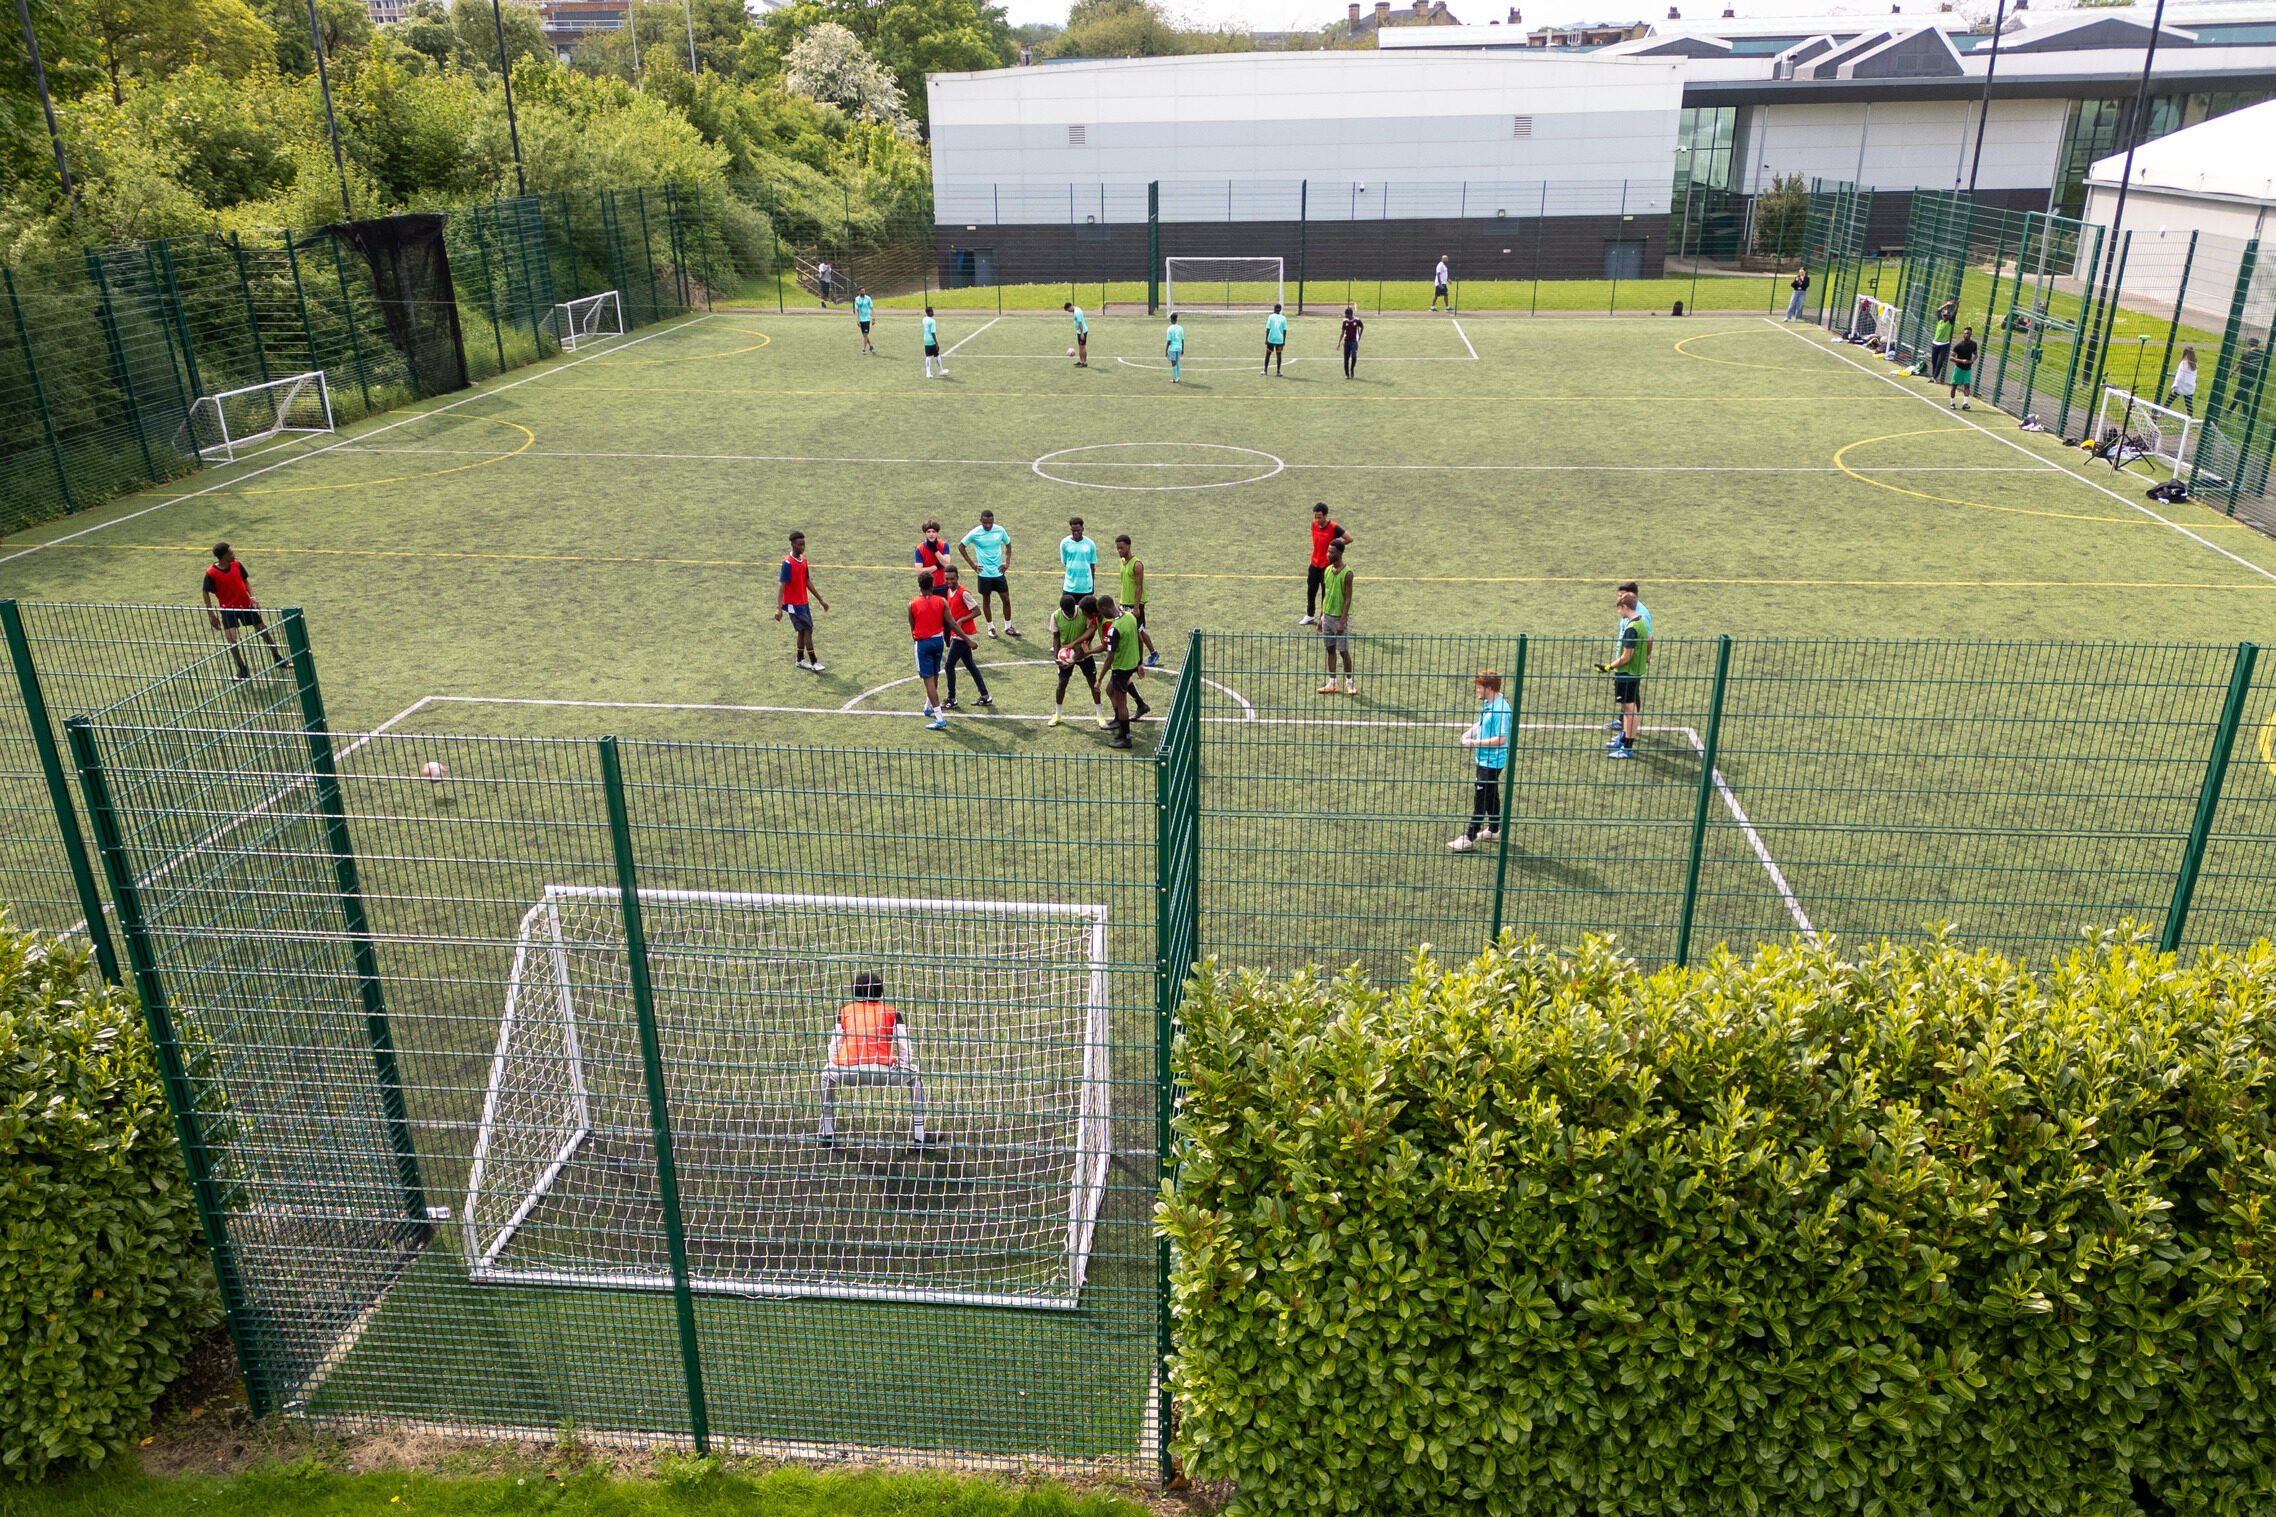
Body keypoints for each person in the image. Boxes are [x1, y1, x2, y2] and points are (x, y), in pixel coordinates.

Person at [818, 970, 927, 1150]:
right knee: (915, 1077)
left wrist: (834, 1063)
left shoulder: (845, 1011)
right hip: (882, 1070)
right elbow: (904, 1046)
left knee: (826, 1076)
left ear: (855, 992)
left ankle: (827, 1134)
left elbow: (834, 1045)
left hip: (848, 1070)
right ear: (879, 992)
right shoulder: (892, 1012)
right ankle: (920, 1137)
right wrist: (904, 1064)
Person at [1448, 669, 1512, 852]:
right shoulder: (1489, 703)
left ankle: (1469, 837)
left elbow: (1501, 739)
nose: (1477, 691)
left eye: (1479, 687)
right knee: (1491, 795)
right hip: (1484, 758)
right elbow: (1483, 723)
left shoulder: (1501, 710)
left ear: (1489, 688)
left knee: (1481, 799)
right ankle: (1494, 830)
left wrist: (1474, 742)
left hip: (1492, 762)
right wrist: (1470, 731)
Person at [202, 543, 287, 681]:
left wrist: (252, 598)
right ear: (223, 556)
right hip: (228, 610)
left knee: (263, 630)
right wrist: (211, 615)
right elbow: (205, 592)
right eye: (230, 552)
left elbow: (246, 581)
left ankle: (278, 658)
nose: (233, 553)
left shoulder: (236, 564)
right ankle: (242, 669)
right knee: (232, 641)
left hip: (246, 606)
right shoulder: (211, 573)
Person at [1093, 593, 1158, 750]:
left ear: (1104, 608)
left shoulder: (1114, 629)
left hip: (1120, 668)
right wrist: (1140, 663)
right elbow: (1139, 639)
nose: (1101, 615)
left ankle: (1126, 738)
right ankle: (1121, 727)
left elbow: (1109, 658)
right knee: (1110, 690)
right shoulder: (1129, 617)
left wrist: (1099, 679)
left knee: (1121, 703)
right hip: (1131, 664)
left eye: (1100, 611)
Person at [1596, 590, 1649, 760]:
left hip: (1627, 674)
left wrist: (1608, 667)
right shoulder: (1641, 623)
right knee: (1629, 710)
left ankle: (1627, 747)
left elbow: (1626, 656)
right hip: (1634, 673)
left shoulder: (1631, 629)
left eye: (1619, 609)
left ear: (1625, 607)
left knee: (1629, 711)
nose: (1619, 612)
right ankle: (1625, 740)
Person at [938, 567, 993, 711]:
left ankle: (952, 699)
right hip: (957, 634)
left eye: (952, 579)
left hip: (964, 634)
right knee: (970, 665)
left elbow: (977, 611)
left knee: (949, 665)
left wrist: (962, 620)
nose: (949, 581)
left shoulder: (964, 593)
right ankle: (985, 695)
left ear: (958, 578)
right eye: (947, 579)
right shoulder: (949, 591)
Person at [774, 530, 830, 673]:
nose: (802, 547)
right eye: (799, 545)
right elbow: (782, 585)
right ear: (792, 544)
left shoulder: (803, 561)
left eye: (803, 544)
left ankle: (800, 659)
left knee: (802, 631)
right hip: (793, 604)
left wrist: (820, 600)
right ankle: (814, 662)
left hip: (803, 603)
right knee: (807, 630)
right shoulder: (787, 563)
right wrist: (778, 608)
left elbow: (807, 581)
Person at [1048, 592, 1106, 729]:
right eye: (1065, 612)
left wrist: (1081, 652)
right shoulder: (1055, 616)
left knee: (1093, 683)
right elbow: (1056, 637)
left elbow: (1090, 632)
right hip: (1066, 656)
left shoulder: (1083, 612)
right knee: (1062, 683)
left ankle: (1100, 715)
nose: (1068, 614)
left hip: (1083, 654)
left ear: (1075, 607)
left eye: (1070, 612)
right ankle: (1058, 715)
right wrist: (1057, 656)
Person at [958, 508, 1017, 637]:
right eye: (985, 523)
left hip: (998, 572)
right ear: (981, 521)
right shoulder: (975, 533)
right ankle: (991, 627)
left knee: (1006, 599)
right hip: (984, 574)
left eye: (990, 522)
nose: (988, 525)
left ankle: (1008, 626)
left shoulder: (1000, 530)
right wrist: (973, 564)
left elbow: (1008, 544)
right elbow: (961, 546)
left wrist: (1007, 562)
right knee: (986, 600)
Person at [1604, 581, 1649, 733]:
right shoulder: (1634, 616)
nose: (1619, 599)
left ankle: (1626, 737)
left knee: (1631, 704)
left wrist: (1610, 666)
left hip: (1629, 667)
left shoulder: (1639, 615)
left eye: (1621, 596)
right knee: (1629, 703)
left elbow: (1647, 638)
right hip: (1626, 664)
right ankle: (1623, 726)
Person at [909, 572, 950, 731]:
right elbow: (950, 622)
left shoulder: (912, 604)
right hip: (938, 641)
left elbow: (912, 626)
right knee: (935, 675)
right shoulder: (941, 601)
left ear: (919, 586)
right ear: (932, 585)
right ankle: (928, 707)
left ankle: (939, 717)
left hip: (923, 643)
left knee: (928, 680)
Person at [1300, 502, 1352, 626]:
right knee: (1311, 591)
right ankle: (1310, 615)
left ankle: (1323, 617)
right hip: (1314, 564)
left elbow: (1349, 538)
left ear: (1325, 515)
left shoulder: (1334, 527)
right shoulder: (1313, 524)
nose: (1317, 520)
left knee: (1325, 593)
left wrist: (1336, 546)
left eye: (1319, 517)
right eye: (1315, 517)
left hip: (1326, 566)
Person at [1315, 541, 1355, 696]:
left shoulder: (1348, 574)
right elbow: (1325, 595)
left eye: (1331, 552)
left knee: (1343, 651)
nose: (1328, 554)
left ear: (1340, 553)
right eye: (1328, 551)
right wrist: (1321, 617)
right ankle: (1332, 683)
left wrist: (1342, 621)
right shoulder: (1327, 571)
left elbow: (1347, 599)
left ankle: (1349, 683)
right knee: (1330, 649)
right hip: (1327, 617)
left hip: (1339, 618)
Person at [1113, 533, 1160, 665]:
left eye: (1121, 548)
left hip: (1135, 604)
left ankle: (1152, 653)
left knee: (1139, 631)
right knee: (1130, 630)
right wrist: (1121, 601)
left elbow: (1139, 587)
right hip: (1124, 603)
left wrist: (1136, 606)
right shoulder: (1122, 562)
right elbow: (1125, 583)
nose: (1119, 551)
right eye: (1117, 548)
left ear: (1128, 546)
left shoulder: (1137, 565)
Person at [1060, 515, 1098, 599]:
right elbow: (1066, 562)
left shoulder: (1090, 544)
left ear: (1082, 529)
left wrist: (1092, 585)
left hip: (1086, 588)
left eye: (1078, 530)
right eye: (1073, 531)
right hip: (1069, 587)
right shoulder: (1064, 543)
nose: (1076, 533)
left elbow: (1092, 566)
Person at [1948, 326, 1978, 410]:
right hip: (1958, 368)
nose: (1966, 335)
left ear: (1971, 334)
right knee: (1954, 386)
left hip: (1967, 369)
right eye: (1965, 333)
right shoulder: (1959, 346)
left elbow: (1976, 354)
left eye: (1968, 333)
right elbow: (1951, 357)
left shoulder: (1973, 344)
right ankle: (1952, 403)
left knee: (1967, 386)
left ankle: (1965, 403)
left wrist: (1972, 360)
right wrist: (1961, 361)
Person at [1930, 300, 1956, 383]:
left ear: (1948, 317)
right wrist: (1946, 304)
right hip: (1935, 343)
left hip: (1944, 344)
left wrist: (1957, 305)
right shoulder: (1940, 321)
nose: (1945, 317)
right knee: (1934, 361)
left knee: (1939, 362)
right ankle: (1933, 375)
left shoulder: (1949, 323)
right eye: (1944, 315)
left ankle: (1934, 377)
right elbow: (1938, 310)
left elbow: (1955, 313)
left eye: (1946, 316)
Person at [2168, 346, 2198, 415]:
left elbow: (2179, 376)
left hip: (2181, 386)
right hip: (2189, 388)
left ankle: (2161, 413)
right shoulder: (2194, 364)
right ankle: (2189, 418)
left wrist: (2174, 386)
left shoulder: (2183, 363)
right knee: (2188, 404)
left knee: (2169, 400)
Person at [923, 306, 948, 379]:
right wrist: (936, 343)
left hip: (926, 340)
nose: (933, 312)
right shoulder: (932, 321)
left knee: (928, 357)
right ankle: (941, 370)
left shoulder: (924, 319)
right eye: (932, 311)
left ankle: (928, 373)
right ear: (929, 312)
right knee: (937, 355)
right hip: (931, 341)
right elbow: (933, 332)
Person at [1263, 303, 1288, 375]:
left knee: (1268, 354)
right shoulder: (1283, 318)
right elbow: (1285, 330)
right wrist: (1284, 341)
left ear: (1274, 309)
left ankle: (1265, 370)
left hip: (1271, 339)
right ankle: (1278, 372)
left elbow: (1268, 328)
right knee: (1279, 355)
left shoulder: (1270, 317)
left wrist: (1266, 339)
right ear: (1280, 310)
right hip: (1279, 340)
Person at [1063, 301, 1090, 367]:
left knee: (1082, 347)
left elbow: (1080, 323)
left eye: (1068, 310)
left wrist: (1082, 333)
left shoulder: (1077, 312)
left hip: (1082, 332)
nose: (1068, 311)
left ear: (1070, 307)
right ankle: (1081, 361)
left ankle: (1084, 362)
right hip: (1080, 331)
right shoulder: (1076, 309)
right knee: (1080, 347)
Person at [1340, 306, 1364, 379]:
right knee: (1346, 359)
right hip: (1346, 341)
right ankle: (1347, 374)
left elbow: (1362, 327)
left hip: (1354, 342)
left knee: (1354, 357)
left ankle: (1352, 369)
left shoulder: (1357, 320)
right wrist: (1339, 342)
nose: (1346, 316)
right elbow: (1342, 332)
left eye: (1347, 315)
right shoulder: (1345, 321)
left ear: (1350, 314)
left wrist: (1359, 335)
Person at [1165, 312, 1186, 384]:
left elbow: (1169, 341)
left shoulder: (1169, 329)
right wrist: (1183, 348)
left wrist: (1166, 350)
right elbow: (1182, 339)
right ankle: (1178, 376)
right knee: (1177, 362)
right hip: (1179, 347)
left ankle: (1175, 378)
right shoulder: (1181, 328)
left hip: (1173, 348)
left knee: (1173, 363)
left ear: (1171, 319)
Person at [853, 287, 875, 354]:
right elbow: (856, 310)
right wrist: (857, 320)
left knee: (865, 334)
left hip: (867, 319)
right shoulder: (857, 299)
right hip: (861, 319)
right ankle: (871, 346)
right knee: (864, 335)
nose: (863, 293)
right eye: (862, 291)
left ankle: (864, 349)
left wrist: (873, 318)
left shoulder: (868, 298)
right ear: (859, 292)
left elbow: (871, 308)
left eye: (864, 291)